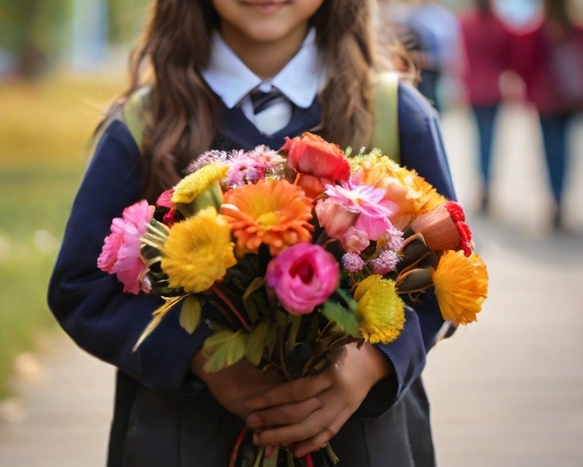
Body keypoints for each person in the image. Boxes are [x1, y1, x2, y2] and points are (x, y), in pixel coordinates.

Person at [48, 1, 457, 466]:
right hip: (184, 437)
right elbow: (79, 285)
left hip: (362, 437)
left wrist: (371, 363)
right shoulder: (145, 122)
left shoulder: (394, 112)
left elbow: (450, 270)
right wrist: (198, 356)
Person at [515, 0, 583, 231]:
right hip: (569, 99)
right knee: (563, 150)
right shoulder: (575, 29)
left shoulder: (537, 32)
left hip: (546, 101)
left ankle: (555, 198)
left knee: (550, 150)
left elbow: (523, 64)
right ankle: (560, 197)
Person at [459, 0, 517, 213]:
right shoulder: (499, 25)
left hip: (475, 90)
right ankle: (487, 185)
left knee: (479, 141)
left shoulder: (467, 23)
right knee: (489, 140)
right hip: (493, 90)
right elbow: (511, 57)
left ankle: (482, 185)